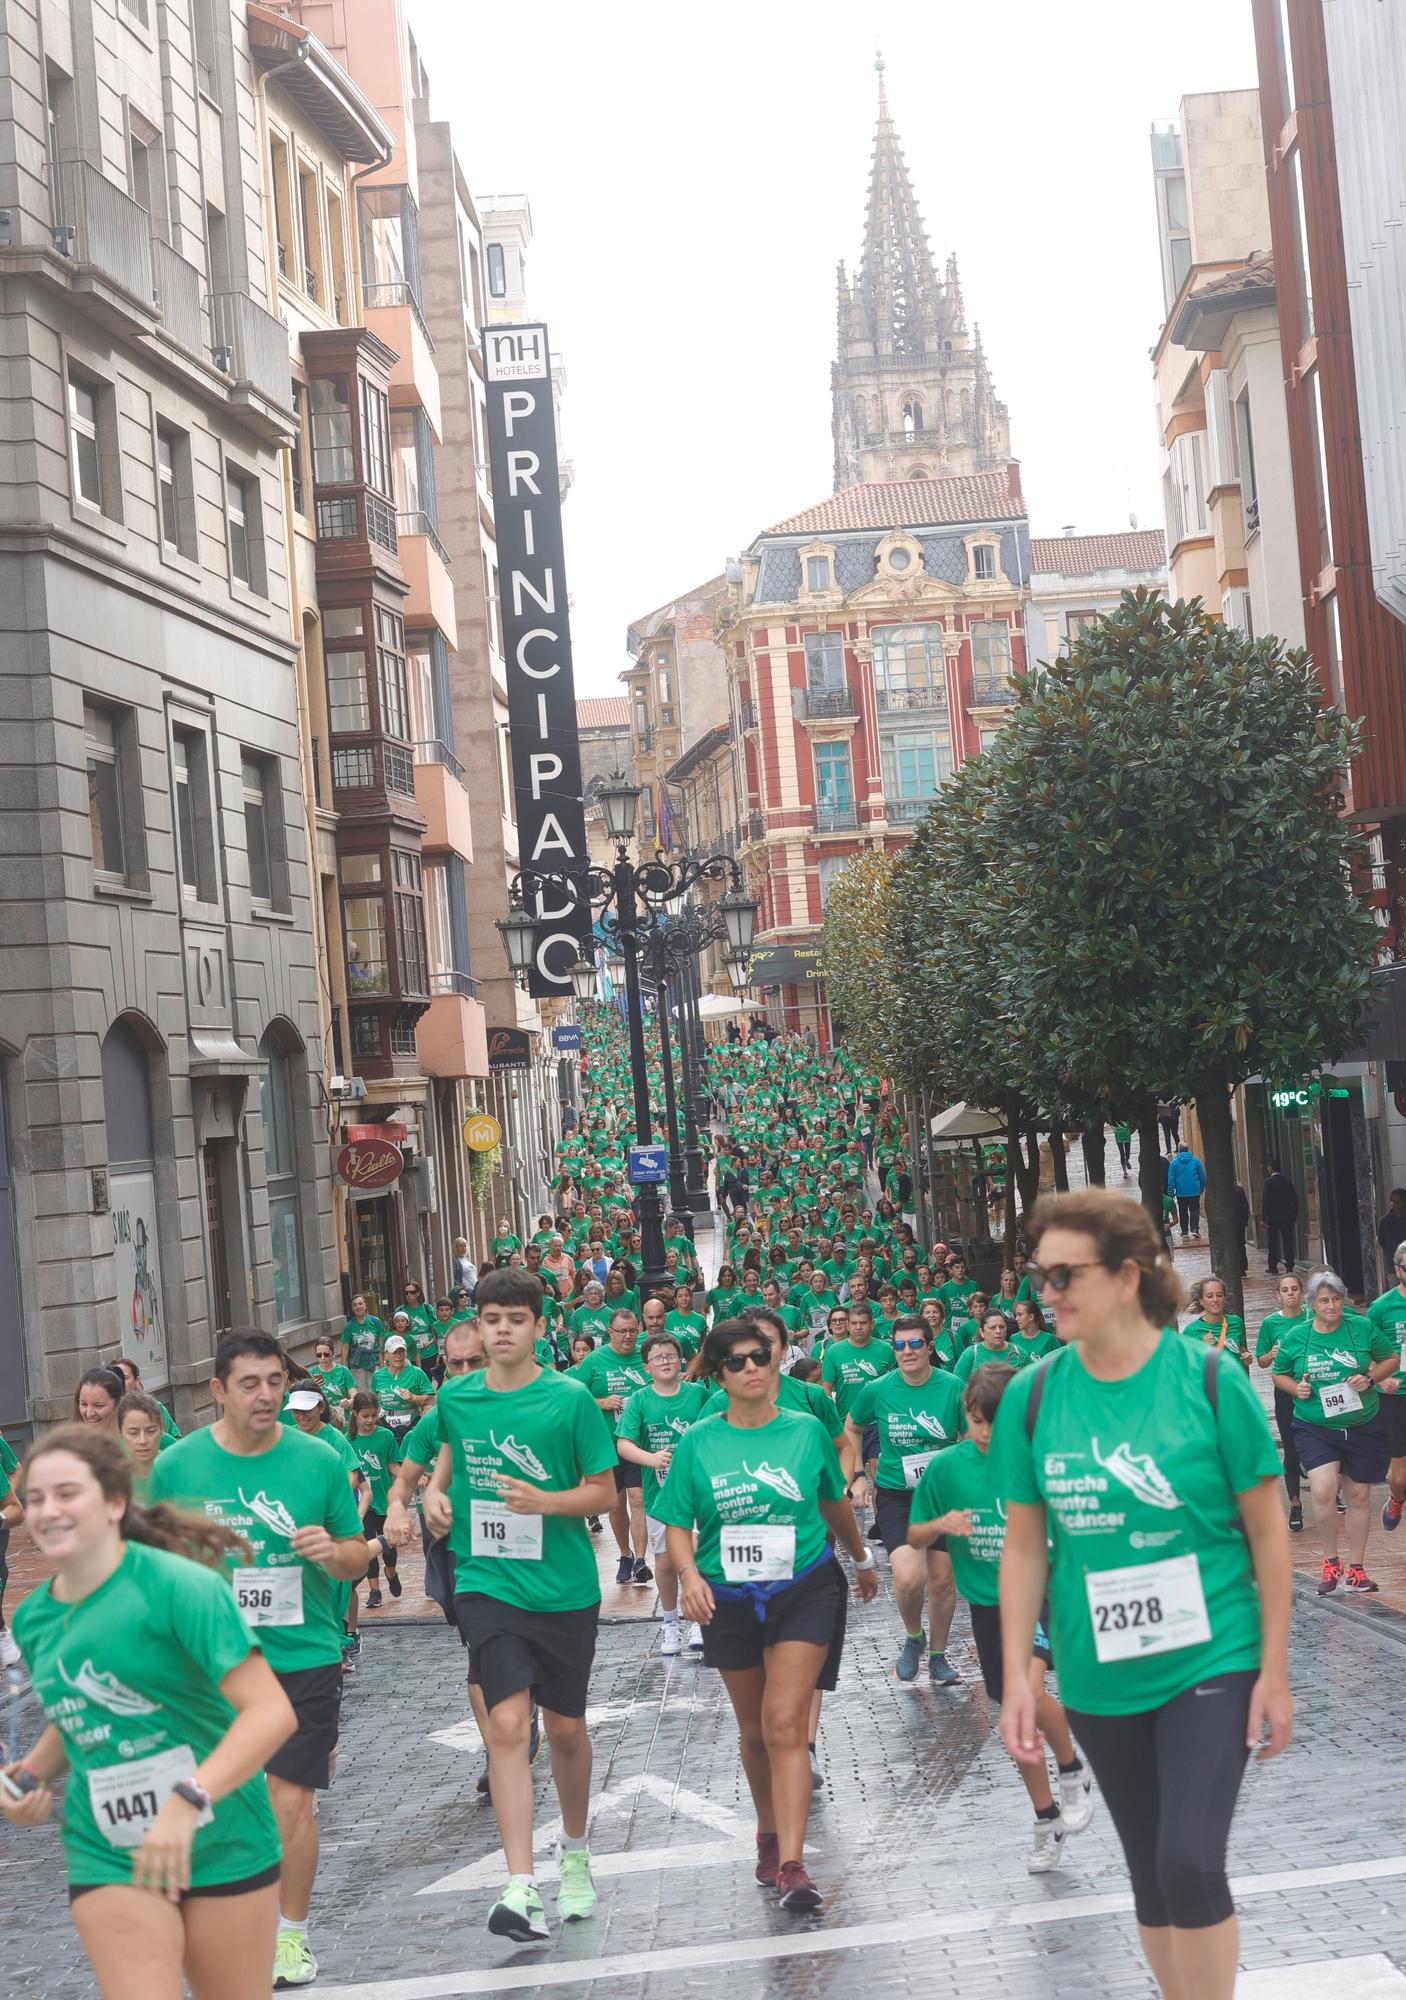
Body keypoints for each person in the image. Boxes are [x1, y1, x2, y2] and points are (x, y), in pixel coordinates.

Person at [993, 1190, 1292, 2000]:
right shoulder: (1033, 1395)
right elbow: (1024, 1545)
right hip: (1098, 1668)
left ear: (1127, 1276)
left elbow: (1268, 1531)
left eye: (1063, 1274)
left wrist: (1273, 1668)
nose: (1045, 1292)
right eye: (1038, 1275)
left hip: (1212, 1653)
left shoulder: (1206, 1377)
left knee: (1188, 1861)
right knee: (1151, 1874)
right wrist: (1020, 1674)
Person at [5, 1426, 295, 2000]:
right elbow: (80, 1709)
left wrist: (189, 1799)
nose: (48, 1510)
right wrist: (29, 1775)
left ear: (114, 1501)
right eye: (36, 1498)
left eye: (67, 1493)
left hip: (223, 1839)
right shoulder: (33, 1619)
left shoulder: (179, 1588)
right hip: (108, 1847)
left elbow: (270, 1714)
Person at [150, 1330, 368, 1990]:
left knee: (290, 1803)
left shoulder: (320, 1459)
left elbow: (361, 1554)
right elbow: (151, 1567)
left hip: (303, 1653)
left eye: (276, 1381)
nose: (267, 1395)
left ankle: (290, 1937)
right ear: (217, 1391)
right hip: (211, 1665)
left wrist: (334, 1553)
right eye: (250, 1384)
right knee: (219, 1801)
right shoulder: (177, 1467)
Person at [419, 1267, 618, 1944]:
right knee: (506, 1727)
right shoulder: (458, 1398)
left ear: (539, 1327)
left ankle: (576, 1850)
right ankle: (519, 1886)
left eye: (515, 1319)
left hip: (563, 1589)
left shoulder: (570, 1402)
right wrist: (429, 1498)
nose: (501, 1331)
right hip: (487, 1582)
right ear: (477, 1325)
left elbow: (604, 1493)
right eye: (490, 1319)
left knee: (564, 1730)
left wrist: (547, 1503)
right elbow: (443, 1463)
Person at [657, 1318, 878, 1912]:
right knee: (754, 1730)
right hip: (726, 1597)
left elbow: (831, 1499)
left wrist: (859, 1559)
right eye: (737, 1361)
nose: (753, 1367)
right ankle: (767, 1832)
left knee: (784, 1723)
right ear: (720, 1374)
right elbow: (677, 1522)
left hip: (804, 1586)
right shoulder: (700, 1439)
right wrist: (689, 1575)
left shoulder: (806, 1430)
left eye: (761, 1356)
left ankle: (793, 1865)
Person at [909, 1363, 1093, 1873]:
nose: (987, 1432)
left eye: (998, 1420)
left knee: (1024, 1695)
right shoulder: (946, 1468)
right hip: (988, 1602)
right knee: (1015, 1710)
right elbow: (914, 1534)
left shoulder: (1042, 1459)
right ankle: (1046, 1814)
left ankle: (1073, 1770)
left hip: (1043, 1590)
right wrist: (941, 1526)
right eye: (977, 1421)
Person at [843, 1315, 964, 1687]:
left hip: (943, 1497)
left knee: (943, 1582)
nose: (907, 1351)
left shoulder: (952, 1387)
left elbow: (972, 1433)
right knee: (910, 1578)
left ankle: (939, 1657)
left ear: (930, 1346)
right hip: (897, 1496)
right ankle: (915, 1637)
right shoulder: (878, 1389)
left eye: (915, 1344)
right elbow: (852, 1427)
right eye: (899, 1345)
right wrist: (859, 1475)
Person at [1272, 1268, 1398, 1595]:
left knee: (1358, 1496)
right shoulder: (1297, 1337)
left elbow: (1391, 1359)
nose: (1332, 1306)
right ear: (1312, 1304)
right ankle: (1330, 1560)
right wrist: (1295, 1389)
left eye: (1337, 1299)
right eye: (1325, 1301)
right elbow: (1279, 1373)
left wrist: (1369, 1379)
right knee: (1324, 1488)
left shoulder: (1361, 1326)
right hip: (1316, 1425)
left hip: (1362, 1422)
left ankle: (1356, 1570)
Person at [615, 1331, 712, 1657]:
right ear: (646, 1367)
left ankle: (698, 1617)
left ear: (681, 1359)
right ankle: (671, 1623)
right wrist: (651, 1458)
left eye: (670, 1355)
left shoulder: (699, 1394)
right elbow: (624, 1444)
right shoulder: (640, 1400)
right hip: (659, 1492)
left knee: (696, 1551)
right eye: (658, 1358)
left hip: (699, 1490)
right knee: (667, 1561)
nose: (665, 1362)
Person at [572, 1307, 652, 1585]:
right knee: (616, 1507)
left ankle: (641, 1560)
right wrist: (602, 1403)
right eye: (622, 1331)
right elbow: (574, 1398)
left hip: (639, 1444)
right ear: (610, 1332)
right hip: (607, 1444)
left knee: (638, 1499)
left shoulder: (645, 1356)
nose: (628, 1336)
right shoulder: (594, 1361)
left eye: (632, 1331)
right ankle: (625, 1554)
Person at [1254, 1272, 1308, 1531]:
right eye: (1285, 1290)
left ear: (1302, 1292)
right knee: (1291, 1445)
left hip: (1314, 1388)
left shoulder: (1312, 1316)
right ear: (1278, 1295)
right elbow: (1261, 1361)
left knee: (1323, 1438)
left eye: (1294, 1289)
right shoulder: (1270, 1323)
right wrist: (1271, 1353)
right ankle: (1295, 1504)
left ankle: (1333, 1492)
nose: (1290, 1294)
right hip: (1285, 1390)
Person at [348, 1390, 402, 1609]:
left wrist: (408, 1476)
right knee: (368, 1545)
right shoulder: (347, 1441)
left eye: (373, 1415)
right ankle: (374, 1591)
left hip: (384, 1498)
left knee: (389, 1544)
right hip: (362, 1503)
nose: (370, 1420)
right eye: (365, 1416)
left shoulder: (386, 1436)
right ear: (355, 1415)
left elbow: (392, 1464)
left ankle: (391, 1572)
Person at [1369, 1243, 1406, 1537]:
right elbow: (1363, 1350)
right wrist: (1380, 1378)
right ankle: (1396, 1497)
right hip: (1395, 1396)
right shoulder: (1381, 1308)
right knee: (1399, 1476)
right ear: (1397, 1270)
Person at [1180, 1276, 1249, 1366]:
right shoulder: (1191, 1331)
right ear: (1201, 1300)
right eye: (1209, 1296)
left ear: (1225, 1298)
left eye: (1219, 1295)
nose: (1215, 1300)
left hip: (1233, 1379)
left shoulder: (1236, 1322)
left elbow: (1241, 1350)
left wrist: (1246, 1357)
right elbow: (1185, 1366)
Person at [116, 1390, 166, 1500]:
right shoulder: (112, 1480)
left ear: (161, 1430)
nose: (142, 1441)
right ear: (120, 1433)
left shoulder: (176, 1472)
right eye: (133, 1433)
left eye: (151, 1431)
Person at [1260, 1160, 1299, 1275]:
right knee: (1288, 1241)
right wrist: (1293, 1215)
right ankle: (1290, 1265)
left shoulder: (1268, 1182)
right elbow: (1294, 1200)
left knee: (1273, 1242)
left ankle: (1273, 1266)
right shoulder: (1287, 1182)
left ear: (1271, 1168)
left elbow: (1265, 1202)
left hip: (1273, 1218)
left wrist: (1263, 1218)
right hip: (1287, 1217)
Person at [340, 1295, 385, 1386]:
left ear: (365, 1305)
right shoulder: (349, 1326)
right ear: (352, 1308)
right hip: (357, 1366)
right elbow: (345, 1348)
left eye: (360, 1304)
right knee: (360, 1395)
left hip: (375, 1363)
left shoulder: (375, 1322)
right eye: (355, 1305)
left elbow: (382, 1345)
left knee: (374, 1392)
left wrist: (383, 1365)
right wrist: (344, 1368)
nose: (358, 1307)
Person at [1166, 1142, 1207, 1241]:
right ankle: (1194, 1229)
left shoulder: (1174, 1163)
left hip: (1181, 1192)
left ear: (1179, 1150)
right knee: (1194, 1210)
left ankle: (1184, 1231)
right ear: (1187, 1150)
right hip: (1194, 1190)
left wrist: (1171, 1193)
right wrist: (1201, 1188)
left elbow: (1171, 1180)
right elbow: (1203, 1176)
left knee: (1183, 1211)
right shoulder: (1195, 1161)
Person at [308, 1337, 357, 1418]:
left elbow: (354, 1393)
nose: (322, 1358)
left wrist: (350, 1401)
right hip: (321, 1419)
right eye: (319, 1355)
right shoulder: (311, 1373)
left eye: (326, 1354)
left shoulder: (343, 1371)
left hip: (343, 1418)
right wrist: (313, 1388)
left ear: (332, 1353)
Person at [1377, 1188, 1406, 1269]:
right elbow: (1382, 1240)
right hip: (1393, 1267)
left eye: (1399, 1202)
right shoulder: (1385, 1222)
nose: (1395, 1205)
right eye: (1393, 1202)